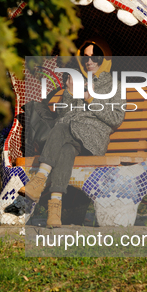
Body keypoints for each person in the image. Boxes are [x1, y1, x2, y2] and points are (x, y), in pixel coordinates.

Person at [18, 39, 124, 227]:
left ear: (105, 59)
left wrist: (89, 98)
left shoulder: (112, 85)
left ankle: (39, 179)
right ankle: (55, 209)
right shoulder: (78, 81)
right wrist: (68, 92)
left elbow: (115, 118)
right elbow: (63, 114)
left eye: (95, 57)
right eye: (86, 58)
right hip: (71, 136)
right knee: (66, 150)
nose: (89, 62)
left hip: (93, 137)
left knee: (61, 127)